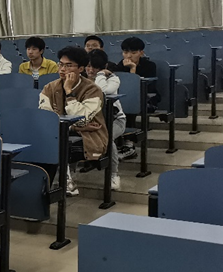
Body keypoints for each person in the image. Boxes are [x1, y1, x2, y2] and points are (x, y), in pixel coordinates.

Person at [39, 47, 108, 197]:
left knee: (57, 145)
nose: (62, 69)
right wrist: (75, 128)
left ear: (81, 68)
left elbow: (82, 119)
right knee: (45, 143)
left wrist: (69, 92)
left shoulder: (93, 90)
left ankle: (61, 184)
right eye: (60, 64)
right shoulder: (49, 88)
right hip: (62, 134)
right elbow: (47, 120)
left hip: (90, 137)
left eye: (68, 65)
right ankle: (41, 191)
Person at [86, 49, 126, 191]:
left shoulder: (113, 79)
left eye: (95, 67)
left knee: (107, 138)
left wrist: (101, 75)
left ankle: (114, 175)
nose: (91, 70)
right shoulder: (81, 80)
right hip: (92, 121)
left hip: (115, 120)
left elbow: (102, 91)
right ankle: (68, 176)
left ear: (103, 67)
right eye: (88, 66)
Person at [115, 36, 159, 119]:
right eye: (125, 52)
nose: (129, 56)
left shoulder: (150, 66)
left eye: (133, 53)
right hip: (124, 98)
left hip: (146, 98)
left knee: (130, 103)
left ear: (141, 53)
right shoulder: (120, 65)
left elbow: (148, 88)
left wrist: (133, 69)